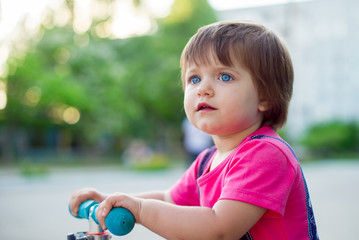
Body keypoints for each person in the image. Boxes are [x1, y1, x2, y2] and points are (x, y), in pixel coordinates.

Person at [70, 21, 319, 239]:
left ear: (264, 97)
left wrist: (141, 210)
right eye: (194, 79)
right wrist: (111, 200)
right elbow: (169, 200)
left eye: (224, 77)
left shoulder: (266, 154)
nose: (203, 89)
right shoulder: (206, 161)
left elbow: (218, 229)